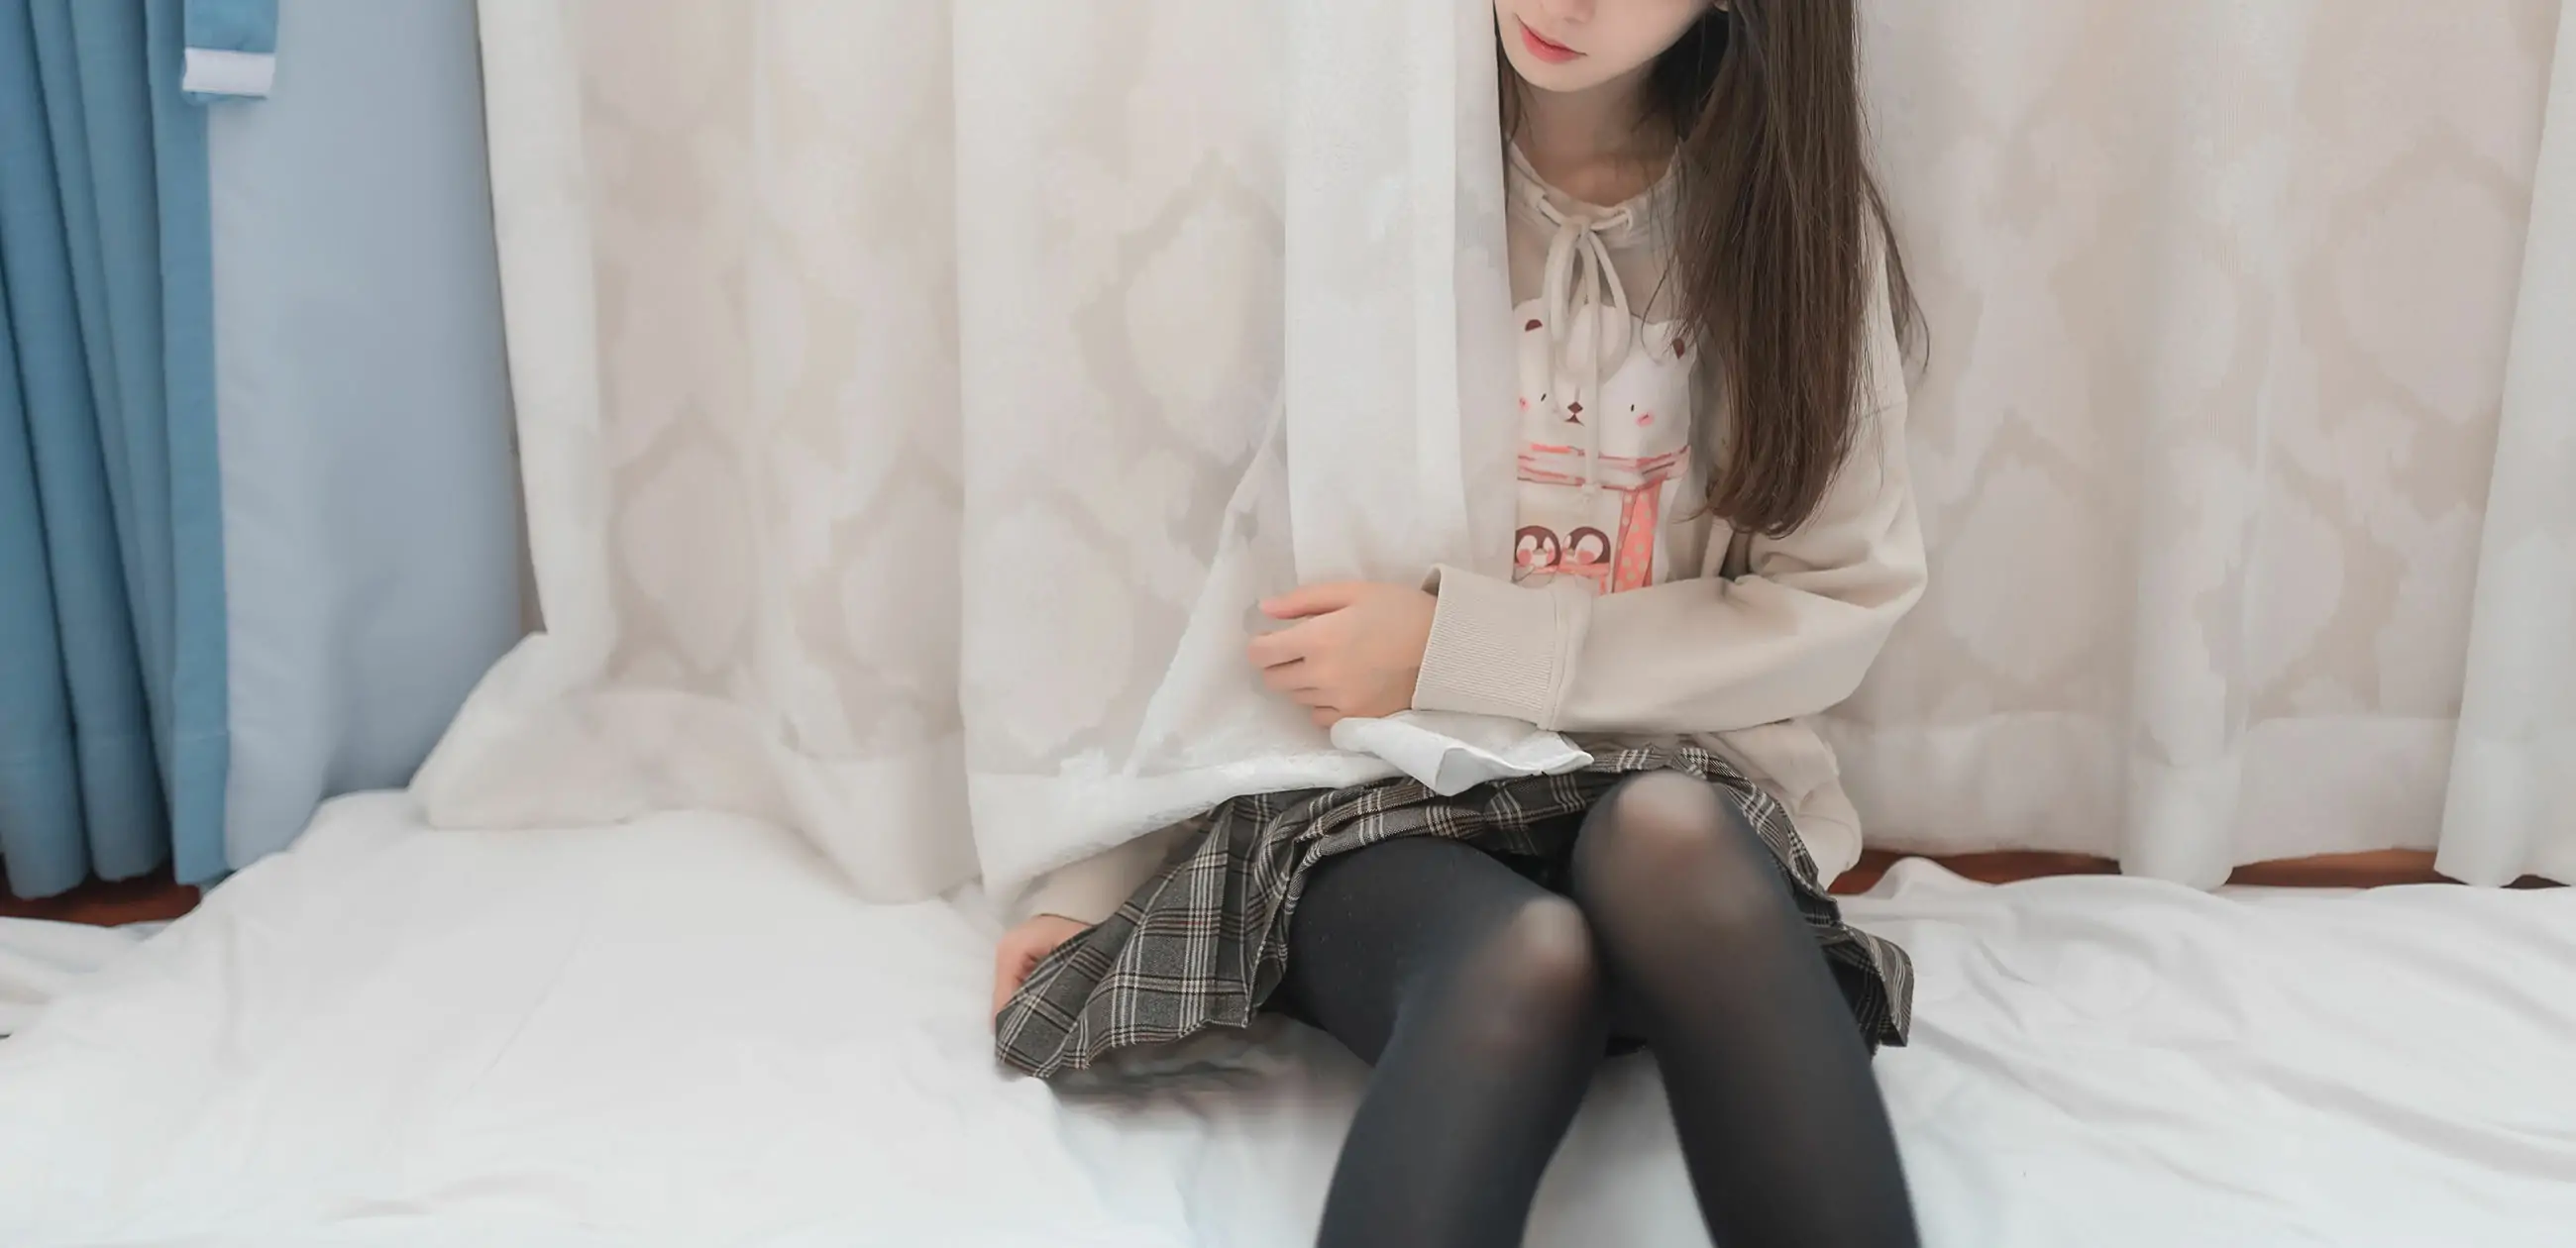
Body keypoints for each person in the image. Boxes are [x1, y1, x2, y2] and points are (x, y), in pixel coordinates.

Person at [993, 3, 1926, 1245]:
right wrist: (1096, 874)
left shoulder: (1784, 224)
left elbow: (1833, 596)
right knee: (1520, 957)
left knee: (1671, 839)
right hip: (1370, 803)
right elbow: (1212, 547)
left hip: (1666, 779)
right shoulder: (1352, 181)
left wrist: (1466, 648)